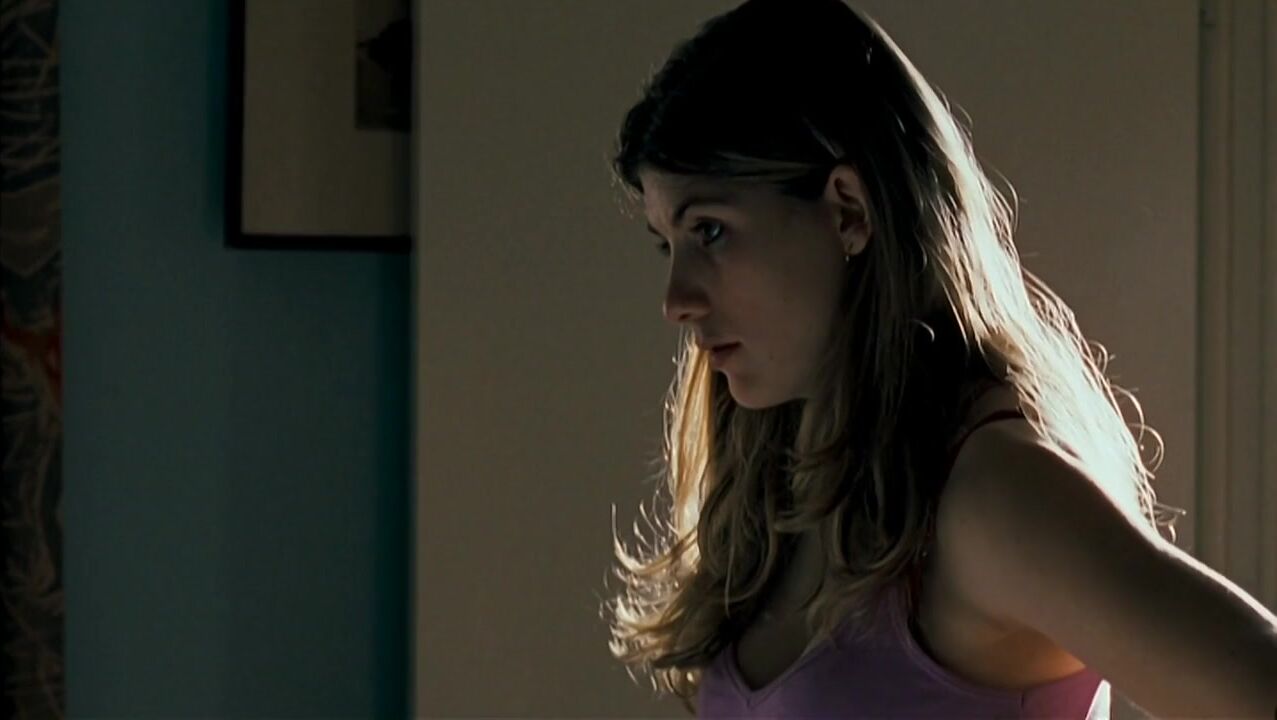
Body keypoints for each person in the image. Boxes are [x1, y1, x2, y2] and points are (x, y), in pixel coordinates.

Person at [597, 0, 1277, 718]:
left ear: (848, 211)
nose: (675, 299)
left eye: (710, 231)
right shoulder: (789, 493)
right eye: (668, 244)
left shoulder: (992, 497)